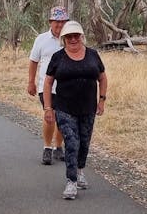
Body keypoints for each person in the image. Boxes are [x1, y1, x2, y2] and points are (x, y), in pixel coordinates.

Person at [43, 20, 107, 200]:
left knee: (84, 143)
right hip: (64, 108)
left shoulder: (93, 55)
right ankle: (71, 181)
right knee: (72, 142)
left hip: (88, 108)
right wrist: (48, 107)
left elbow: (102, 78)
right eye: (69, 36)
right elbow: (48, 83)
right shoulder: (58, 57)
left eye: (76, 36)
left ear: (81, 36)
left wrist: (101, 100)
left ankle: (79, 171)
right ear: (63, 39)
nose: (73, 39)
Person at [27, 6, 69, 165]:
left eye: (63, 22)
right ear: (50, 22)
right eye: (57, 22)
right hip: (46, 87)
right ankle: (47, 147)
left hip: (67, 86)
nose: (60, 25)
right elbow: (33, 61)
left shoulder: (70, 38)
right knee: (50, 116)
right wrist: (31, 81)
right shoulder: (41, 39)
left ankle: (59, 147)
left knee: (63, 119)